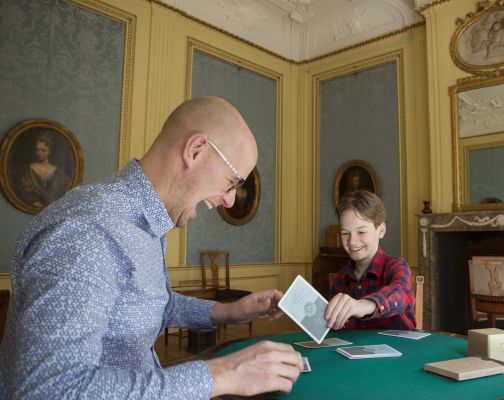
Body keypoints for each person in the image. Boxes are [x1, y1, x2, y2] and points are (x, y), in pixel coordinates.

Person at [0, 97, 303, 399]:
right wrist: (220, 374)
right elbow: (49, 390)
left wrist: (228, 311)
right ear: (195, 151)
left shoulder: (147, 222)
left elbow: (154, 304)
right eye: (232, 181)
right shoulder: (88, 232)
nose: (230, 200)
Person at [324, 190, 416, 330]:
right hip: (350, 350)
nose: (352, 242)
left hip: (400, 349)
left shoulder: (396, 265)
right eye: (345, 233)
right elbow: (330, 326)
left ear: (381, 230)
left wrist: (364, 304)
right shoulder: (339, 279)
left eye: (361, 232)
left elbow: (402, 292)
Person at [20, 132, 71, 208]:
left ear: (49, 152)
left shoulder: (59, 173)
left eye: (43, 150)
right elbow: (26, 193)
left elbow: (67, 192)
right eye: (37, 150)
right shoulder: (29, 170)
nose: (39, 153)